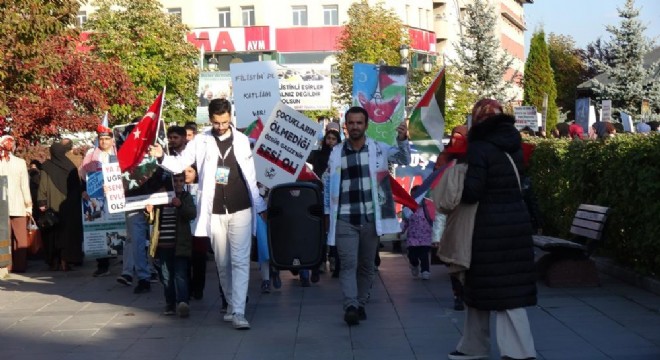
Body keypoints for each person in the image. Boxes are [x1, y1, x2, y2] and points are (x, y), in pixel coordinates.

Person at [148, 98, 267, 330]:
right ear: (210, 119)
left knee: (241, 261)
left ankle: (240, 311)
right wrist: (161, 156)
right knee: (223, 262)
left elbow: (251, 177)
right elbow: (179, 163)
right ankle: (232, 304)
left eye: (224, 122)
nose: (221, 126)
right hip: (214, 211)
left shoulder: (242, 141)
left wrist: (260, 205)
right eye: (216, 122)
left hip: (241, 206)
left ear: (231, 117)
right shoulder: (201, 140)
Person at [447, 99, 536, 360]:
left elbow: (474, 191)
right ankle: (503, 349)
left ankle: (484, 348)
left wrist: (455, 184)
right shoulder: (514, 145)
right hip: (515, 223)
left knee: (488, 287)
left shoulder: (480, 148)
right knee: (505, 288)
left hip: (488, 226)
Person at [324, 106, 410, 326]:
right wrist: (327, 213)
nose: (355, 127)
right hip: (344, 218)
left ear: (366, 125)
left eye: (359, 123)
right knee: (348, 264)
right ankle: (351, 305)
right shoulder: (336, 153)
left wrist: (402, 139)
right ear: (346, 125)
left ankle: (360, 303)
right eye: (351, 123)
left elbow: (403, 158)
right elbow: (328, 185)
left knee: (366, 266)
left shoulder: (377, 149)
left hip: (371, 218)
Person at [147, 173, 196, 318]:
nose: (178, 184)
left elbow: (191, 213)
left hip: (180, 244)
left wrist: (180, 205)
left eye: (181, 181)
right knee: (166, 275)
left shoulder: (185, 197)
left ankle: (183, 302)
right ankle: (170, 303)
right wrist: (148, 211)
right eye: (175, 181)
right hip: (163, 245)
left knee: (181, 275)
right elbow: (151, 221)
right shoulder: (159, 200)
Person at [38, 142, 84, 271]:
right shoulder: (70, 167)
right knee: (67, 233)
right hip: (69, 206)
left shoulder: (46, 166)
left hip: (53, 205)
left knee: (53, 233)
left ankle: (54, 261)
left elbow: (43, 186)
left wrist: (42, 202)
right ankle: (66, 260)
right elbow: (77, 187)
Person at [79, 125, 116, 277]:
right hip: (96, 197)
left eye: (107, 139)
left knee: (119, 229)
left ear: (112, 140)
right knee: (99, 228)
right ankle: (103, 264)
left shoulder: (118, 155)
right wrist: (83, 190)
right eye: (101, 139)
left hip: (115, 196)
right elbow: (83, 176)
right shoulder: (91, 156)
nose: (104, 142)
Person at [0, 135, 32, 273]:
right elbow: (25, 186)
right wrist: (28, 206)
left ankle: (5, 265)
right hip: (19, 204)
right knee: (21, 237)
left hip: (2, 205)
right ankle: (20, 265)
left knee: (3, 236)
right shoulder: (20, 162)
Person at [400, 185, 433, 280]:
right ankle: (414, 264)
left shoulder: (427, 208)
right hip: (412, 238)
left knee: (424, 255)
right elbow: (405, 221)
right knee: (412, 255)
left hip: (425, 236)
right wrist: (401, 230)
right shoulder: (408, 209)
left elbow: (433, 220)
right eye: (413, 196)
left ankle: (425, 271)